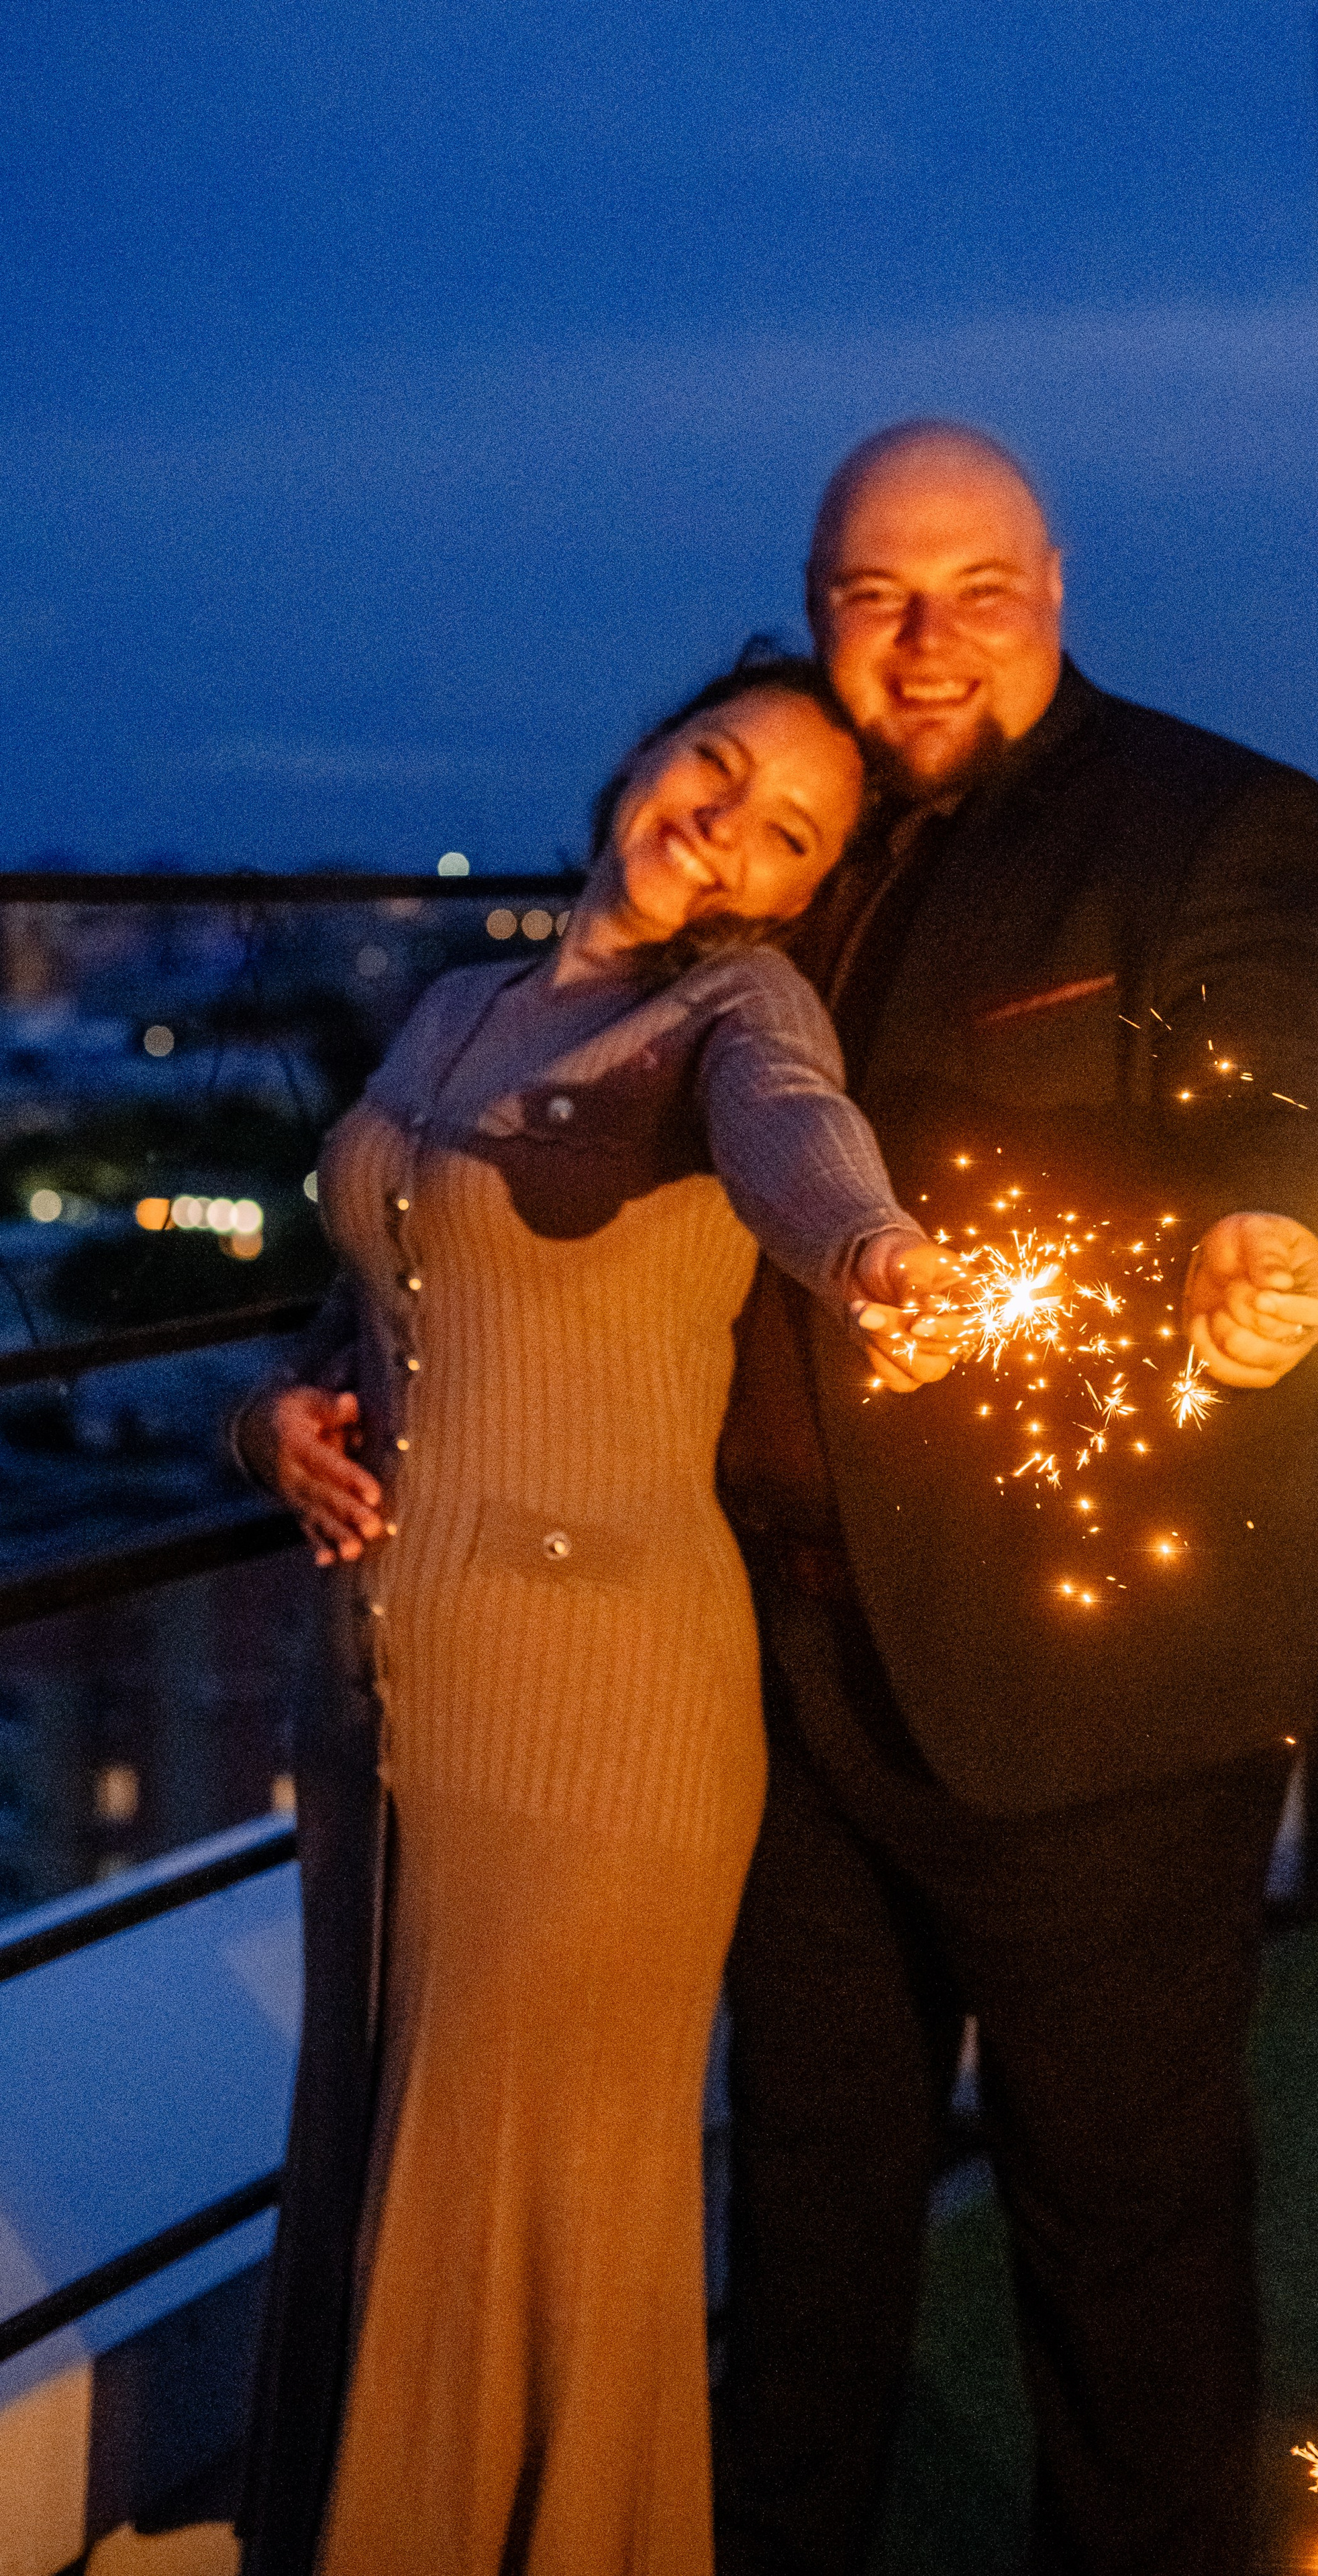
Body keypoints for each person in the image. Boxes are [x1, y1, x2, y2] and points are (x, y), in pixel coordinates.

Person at [710, 424, 1318, 2576]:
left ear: (1057, 588)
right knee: (807, 2235)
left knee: (1123, 2243)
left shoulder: (1214, 816)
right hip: (798, 1669)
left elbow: (1275, 1089)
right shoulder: (780, 838)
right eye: (869, 595)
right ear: (818, 606)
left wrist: (1259, 1241)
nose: (919, 644)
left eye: (971, 589)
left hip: (1101, 1689)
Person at [234, 652, 958, 2576]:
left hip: (594, 1716)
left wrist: (871, 1256)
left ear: (804, 894)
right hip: (384, 1690)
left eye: (789, 832)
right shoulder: (459, 1001)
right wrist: (269, 1422)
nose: (724, 825)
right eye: (716, 766)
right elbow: (384, 1291)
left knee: (514, 2227)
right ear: (646, 749)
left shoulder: (738, 1008)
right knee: (373, 2163)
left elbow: (800, 1136)